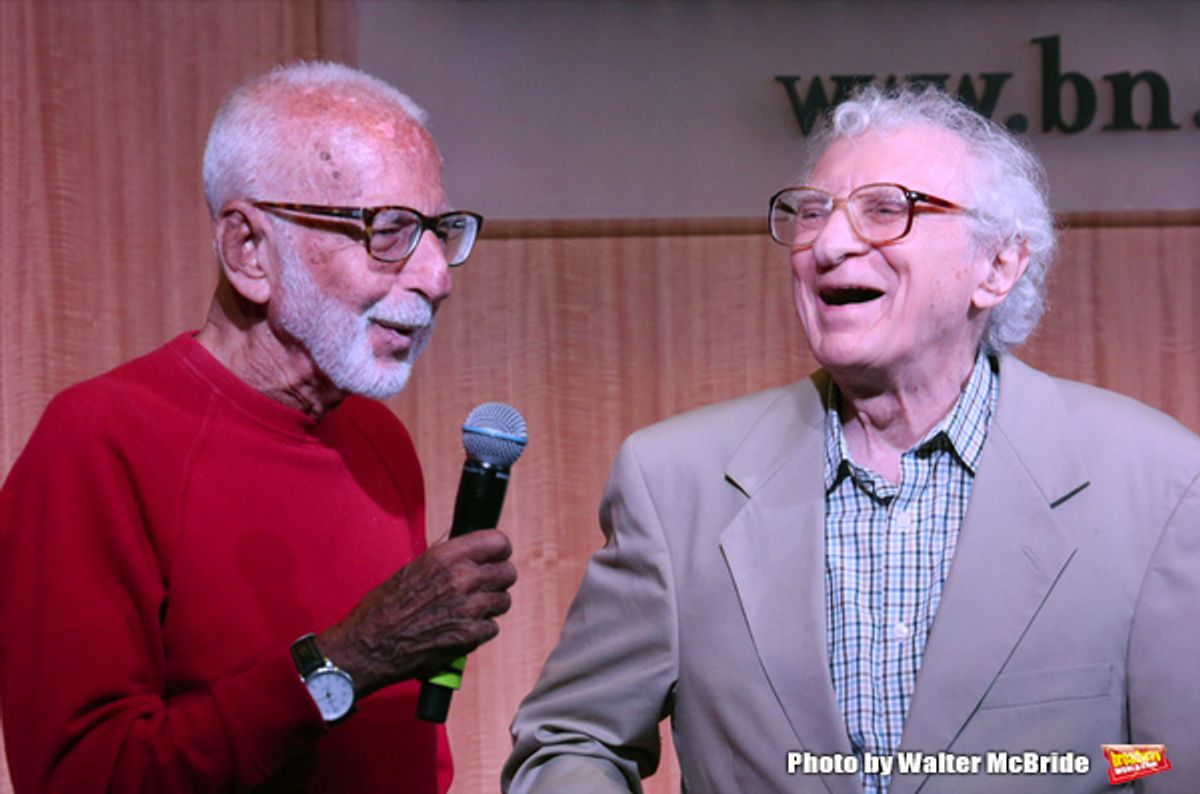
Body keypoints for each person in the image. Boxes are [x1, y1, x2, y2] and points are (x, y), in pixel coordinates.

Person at [504, 85, 1200, 794]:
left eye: (886, 209)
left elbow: (1173, 764)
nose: (829, 246)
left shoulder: (1158, 484)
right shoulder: (674, 481)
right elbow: (570, 740)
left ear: (997, 265)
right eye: (811, 213)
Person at [0, 61, 516, 793]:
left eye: (439, 231)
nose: (438, 277)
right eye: (389, 231)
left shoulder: (380, 441)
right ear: (248, 251)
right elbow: (82, 777)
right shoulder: (96, 441)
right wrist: (346, 661)